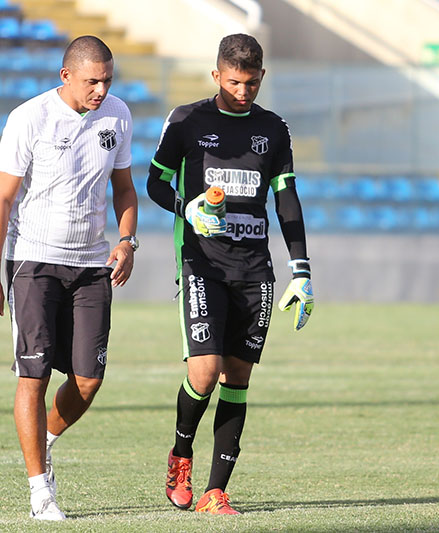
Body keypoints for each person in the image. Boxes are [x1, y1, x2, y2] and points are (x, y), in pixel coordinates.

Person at [146, 33, 314, 515]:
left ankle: (216, 492)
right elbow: (155, 181)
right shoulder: (187, 120)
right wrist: (187, 209)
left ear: (263, 77)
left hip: (255, 269)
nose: (244, 91)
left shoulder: (274, 129)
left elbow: (286, 199)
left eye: (253, 82)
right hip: (201, 262)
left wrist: (300, 269)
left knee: (237, 377)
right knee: (203, 370)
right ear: (217, 75)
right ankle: (181, 453)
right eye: (235, 82)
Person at [0, 35, 138, 521]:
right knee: (34, 375)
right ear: (66, 76)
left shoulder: (119, 115)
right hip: (34, 262)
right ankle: (39, 492)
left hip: (91, 265)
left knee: (88, 380)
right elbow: (0, 200)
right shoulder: (30, 118)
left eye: (108, 80)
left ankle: (43, 442)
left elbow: (125, 189)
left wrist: (127, 240)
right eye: (92, 81)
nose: (101, 90)